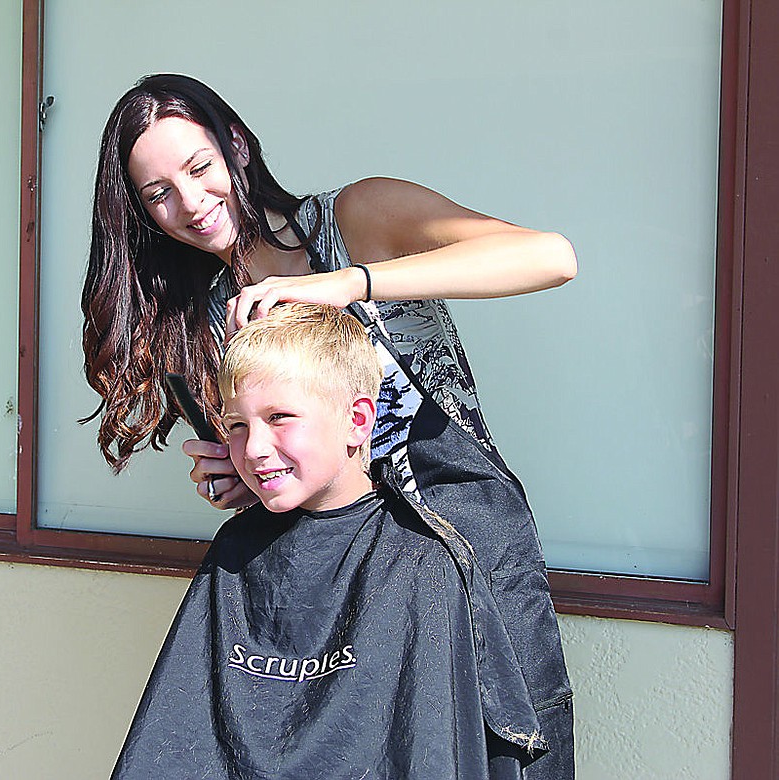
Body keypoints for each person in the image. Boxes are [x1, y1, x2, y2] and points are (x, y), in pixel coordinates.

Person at [83, 73, 575, 777]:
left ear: (238, 148)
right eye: (158, 193)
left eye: (199, 168)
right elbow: (287, 470)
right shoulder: (198, 322)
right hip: (333, 596)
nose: (190, 203)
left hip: (463, 554)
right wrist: (244, 471)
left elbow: (551, 256)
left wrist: (350, 283)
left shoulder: (354, 221)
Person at [113, 303, 551, 778]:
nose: (254, 447)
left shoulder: (418, 562)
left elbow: (427, 749)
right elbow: (181, 742)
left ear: (358, 420)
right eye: (237, 425)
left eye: (280, 417)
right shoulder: (237, 549)